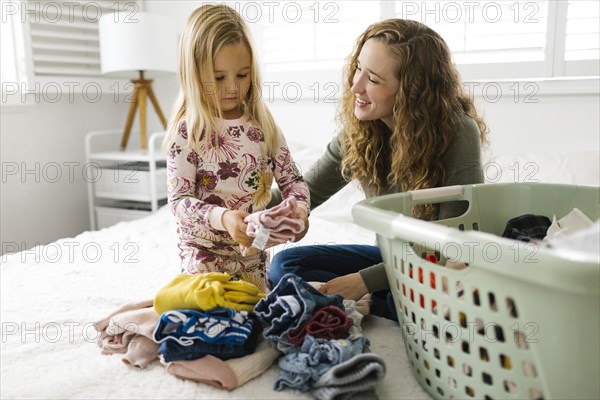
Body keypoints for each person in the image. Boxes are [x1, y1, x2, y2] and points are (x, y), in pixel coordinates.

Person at [268, 19, 488, 320]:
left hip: (437, 270)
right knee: (284, 266)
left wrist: (363, 282)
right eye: (358, 68)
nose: (355, 86)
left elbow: (453, 247)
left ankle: (371, 299)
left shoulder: (458, 132)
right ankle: (372, 299)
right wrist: (239, 211)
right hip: (389, 260)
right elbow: (305, 192)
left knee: (429, 307)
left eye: (372, 79)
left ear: (412, 91)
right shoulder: (363, 130)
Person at [163, 4, 310, 291]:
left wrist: (301, 213)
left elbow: (293, 181)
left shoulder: (262, 126)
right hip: (203, 257)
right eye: (219, 78)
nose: (232, 87)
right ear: (194, 73)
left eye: (242, 75)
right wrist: (224, 218)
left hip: (254, 257)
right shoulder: (189, 131)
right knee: (212, 318)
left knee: (259, 321)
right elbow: (179, 202)